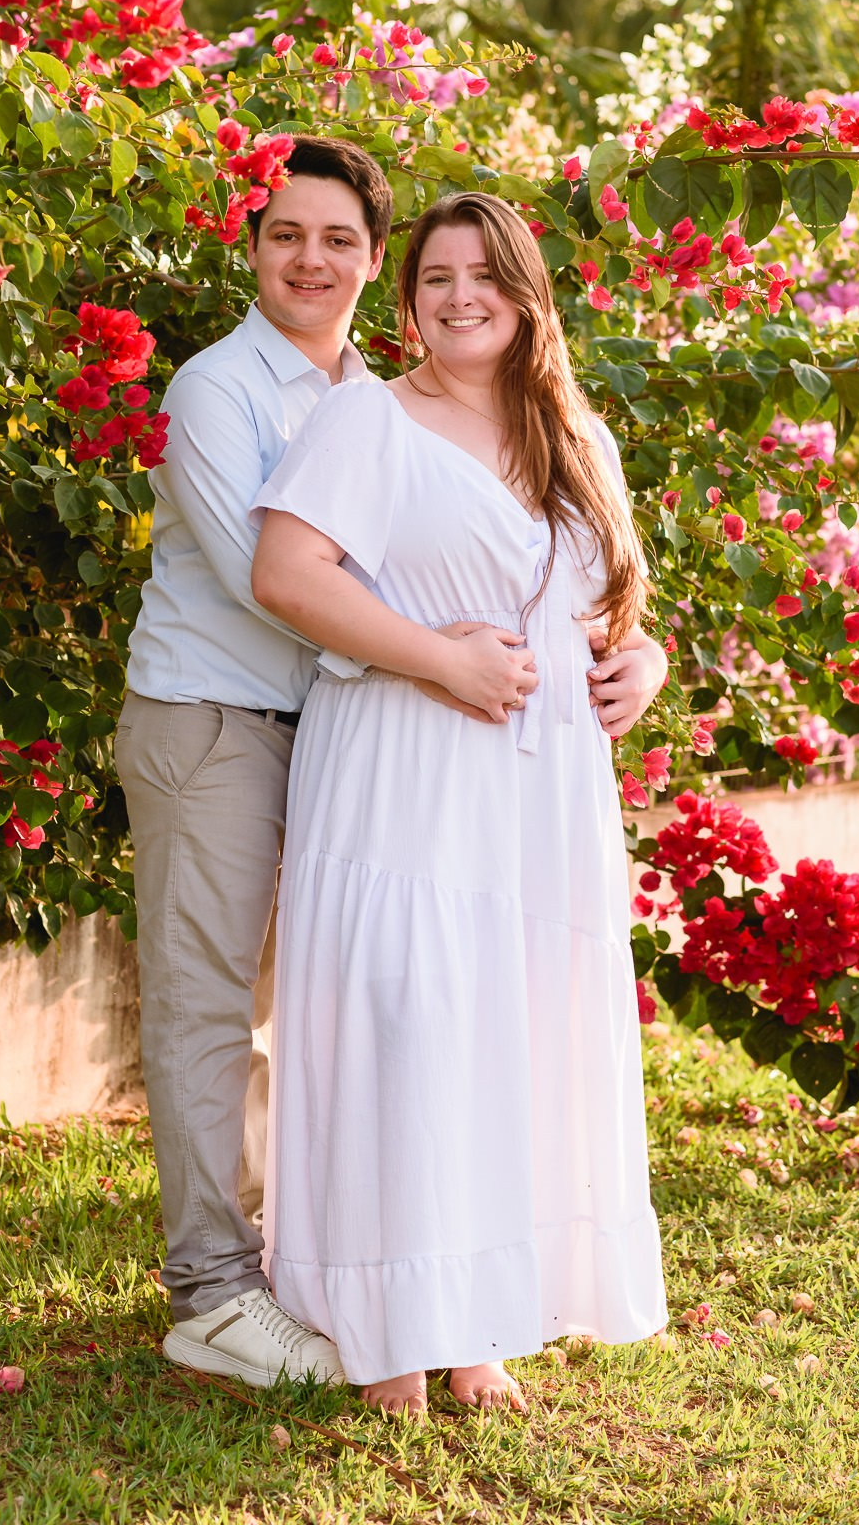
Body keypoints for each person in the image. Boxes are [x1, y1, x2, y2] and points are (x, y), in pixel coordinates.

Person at [114, 139, 531, 1386]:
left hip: (348, 734)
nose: (310, 259)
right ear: (251, 247)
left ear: (372, 259)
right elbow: (276, 584)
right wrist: (437, 658)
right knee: (209, 1005)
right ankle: (212, 1293)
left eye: (337, 238)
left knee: (351, 997)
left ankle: (322, 1260)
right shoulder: (213, 389)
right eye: (285, 234)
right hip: (215, 720)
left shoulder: (384, 397)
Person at [251, 190, 670, 1416]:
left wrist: (642, 662)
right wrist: (439, 659)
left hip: (537, 795)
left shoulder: (573, 437)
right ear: (408, 298)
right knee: (406, 1019)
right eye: (435, 276)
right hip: (405, 769)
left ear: (524, 291)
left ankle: (477, 1325)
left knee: (501, 1032)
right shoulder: (368, 419)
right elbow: (286, 573)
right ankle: (388, 1333)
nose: (459, 295)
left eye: (483, 273)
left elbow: (609, 609)